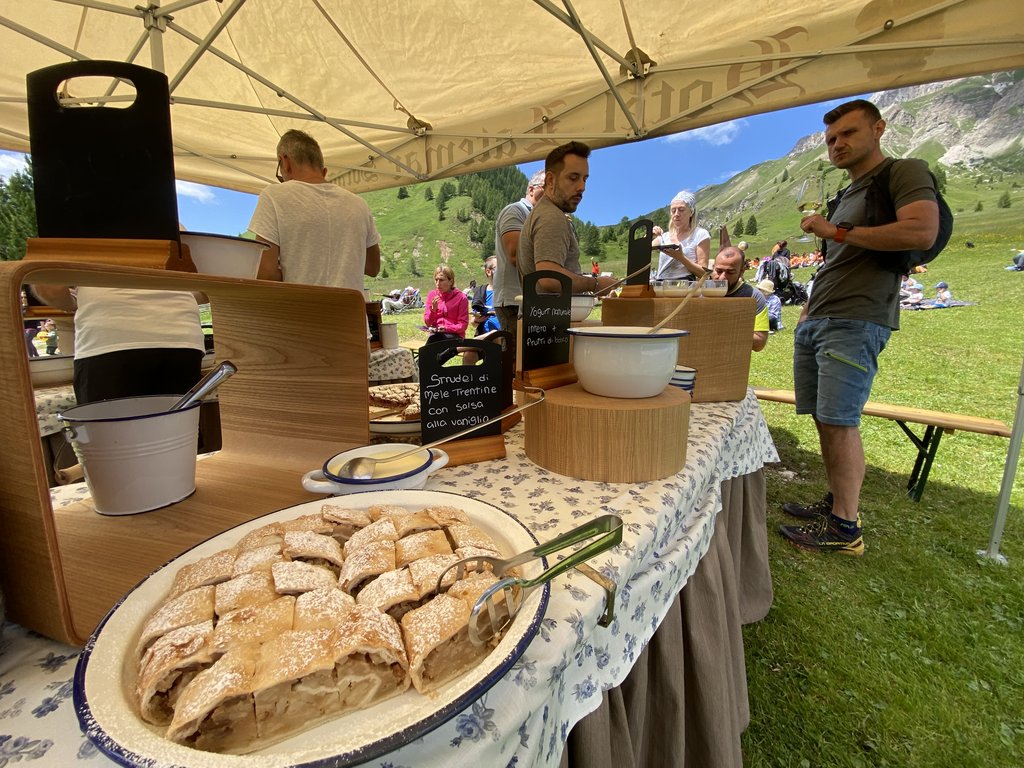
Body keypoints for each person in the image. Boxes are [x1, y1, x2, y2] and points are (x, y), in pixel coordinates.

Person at [782, 98, 941, 556]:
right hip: (822, 316)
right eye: (831, 138)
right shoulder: (847, 192)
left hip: (857, 317)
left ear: (878, 130)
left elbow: (920, 232)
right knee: (822, 416)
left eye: (848, 133)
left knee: (839, 418)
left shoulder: (904, 172)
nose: (838, 144)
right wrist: (810, 305)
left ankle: (845, 528)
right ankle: (836, 502)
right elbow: (838, 258)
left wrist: (838, 233)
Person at [249, 129, 380, 289]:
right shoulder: (359, 205)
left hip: (302, 312)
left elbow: (266, 274)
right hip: (352, 313)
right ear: (324, 172)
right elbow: (373, 268)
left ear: (284, 162)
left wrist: (293, 268)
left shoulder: (273, 196)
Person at [30, 285, 205, 404]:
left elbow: (48, 287)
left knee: (111, 445)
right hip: (181, 336)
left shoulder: (78, 231)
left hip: (110, 336)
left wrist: (72, 303)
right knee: (178, 437)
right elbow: (207, 288)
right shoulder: (176, 231)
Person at [517, 141, 619, 295]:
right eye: (573, 178)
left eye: (584, 179)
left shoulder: (543, 211)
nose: (582, 187)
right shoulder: (551, 216)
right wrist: (596, 283)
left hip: (543, 316)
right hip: (553, 317)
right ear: (550, 180)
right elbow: (549, 278)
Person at [493, 170, 547, 340]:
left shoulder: (540, 217)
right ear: (531, 189)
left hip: (530, 298)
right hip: (513, 300)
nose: (552, 193)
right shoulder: (515, 211)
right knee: (516, 357)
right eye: (547, 187)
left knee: (529, 357)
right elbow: (516, 256)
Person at [710, 247, 770, 352]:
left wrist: (721, 327)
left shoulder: (753, 297)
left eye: (730, 272)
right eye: (719, 271)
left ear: (741, 271)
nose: (722, 277)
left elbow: (759, 343)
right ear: (713, 267)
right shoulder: (698, 292)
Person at [652, 190, 711, 281]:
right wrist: (649, 235)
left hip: (685, 287)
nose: (676, 214)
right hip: (661, 286)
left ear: (691, 212)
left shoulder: (700, 234)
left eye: (681, 210)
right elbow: (640, 252)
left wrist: (681, 258)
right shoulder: (664, 237)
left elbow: (704, 274)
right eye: (673, 210)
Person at [423, 264, 469, 363]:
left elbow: (463, 325)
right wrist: (433, 311)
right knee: (433, 344)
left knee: (432, 348)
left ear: (451, 281)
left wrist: (447, 328)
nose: (438, 283)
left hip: (455, 336)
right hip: (437, 335)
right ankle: (426, 367)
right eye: (436, 280)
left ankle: (423, 367)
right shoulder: (432, 295)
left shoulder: (461, 298)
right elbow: (427, 322)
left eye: (441, 280)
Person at [469, 257, 500, 337]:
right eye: (499, 267)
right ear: (488, 272)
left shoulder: (509, 292)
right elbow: (473, 322)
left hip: (504, 337)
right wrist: (477, 320)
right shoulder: (480, 292)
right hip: (484, 337)